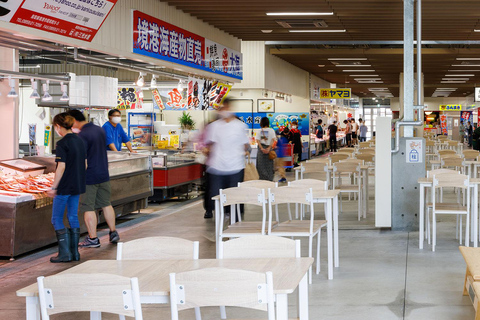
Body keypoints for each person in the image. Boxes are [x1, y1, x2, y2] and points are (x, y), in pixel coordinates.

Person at [68, 110, 120, 248]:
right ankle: (113, 232)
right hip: (103, 173)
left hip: (89, 176)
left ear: (74, 120)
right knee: (106, 203)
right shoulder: (99, 129)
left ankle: (93, 239)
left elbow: (83, 160)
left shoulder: (82, 135)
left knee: (88, 207)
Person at [47, 113, 87, 263]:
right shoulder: (80, 141)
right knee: (73, 216)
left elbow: (61, 167)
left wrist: (53, 186)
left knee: (56, 218)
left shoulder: (62, 143)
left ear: (58, 127)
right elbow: (85, 165)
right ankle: (74, 253)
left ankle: (64, 254)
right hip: (77, 185)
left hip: (64, 187)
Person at [204, 98, 250, 219]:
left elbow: (245, 145)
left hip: (236, 167)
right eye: (222, 108)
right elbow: (209, 145)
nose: (224, 111)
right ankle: (220, 224)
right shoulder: (214, 126)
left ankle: (235, 222)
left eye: (226, 108)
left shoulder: (240, 126)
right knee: (217, 198)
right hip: (217, 168)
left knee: (235, 198)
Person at [255, 117, 277, 181]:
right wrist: (269, 148)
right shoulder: (271, 130)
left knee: (261, 165)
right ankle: (270, 179)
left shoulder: (259, 130)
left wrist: (262, 148)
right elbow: (273, 140)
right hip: (269, 149)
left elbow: (258, 140)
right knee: (269, 165)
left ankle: (262, 179)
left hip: (261, 150)